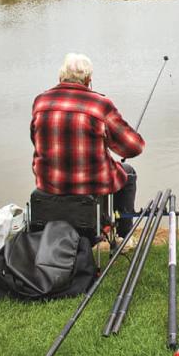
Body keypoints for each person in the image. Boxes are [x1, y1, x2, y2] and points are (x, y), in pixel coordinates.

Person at [31, 53, 145, 236]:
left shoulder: (40, 102)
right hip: (90, 184)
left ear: (60, 77)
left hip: (49, 183)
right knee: (128, 172)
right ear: (88, 80)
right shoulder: (100, 105)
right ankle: (124, 236)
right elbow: (134, 147)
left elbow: (34, 139)